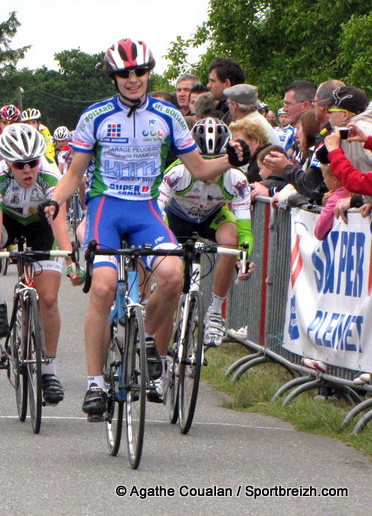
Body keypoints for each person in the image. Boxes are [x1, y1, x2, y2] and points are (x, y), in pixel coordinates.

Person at [43, 38, 248, 417]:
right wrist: (56, 200)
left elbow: (200, 169)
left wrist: (229, 160)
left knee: (173, 275)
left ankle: (146, 339)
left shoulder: (167, 116)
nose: (133, 78)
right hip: (106, 207)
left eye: (139, 71)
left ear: (149, 73)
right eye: (125, 73)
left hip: (147, 210)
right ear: (114, 77)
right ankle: (95, 383)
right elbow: (74, 173)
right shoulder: (95, 116)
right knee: (103, 287)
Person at [0, 123, 82, 404]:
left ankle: (49, 372)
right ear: (8, 163)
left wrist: (70, 262)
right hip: (7, 222)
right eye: (21, 165)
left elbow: (60, 228)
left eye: (33, 162)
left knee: (48, 299)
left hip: (42, 227)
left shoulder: (51, 176)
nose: (29, 170)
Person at [158, 118, 254, 348]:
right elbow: (157, 213)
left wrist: (245, 256)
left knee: (231, 240)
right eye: (202, 161)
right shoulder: (177, 173)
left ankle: (214, 311)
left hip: (212, 217)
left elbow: (245, 231)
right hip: (176, 218)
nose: (210, 170)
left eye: (218, 161)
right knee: (171, 283)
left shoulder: (237, 179)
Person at [207, 57, 246, 123]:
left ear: (227, 83)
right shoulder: (223, 108)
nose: (208, 85)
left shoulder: (239, 114)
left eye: (212, 81)